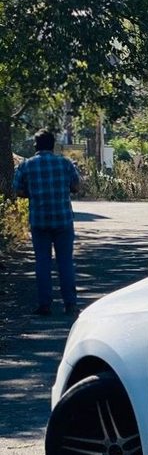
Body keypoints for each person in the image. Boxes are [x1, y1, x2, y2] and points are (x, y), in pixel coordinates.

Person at [12, 129, 81, 316]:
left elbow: (18, 190)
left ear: (36, 145)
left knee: (42, 262)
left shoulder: (26, 166)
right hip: (63, 220)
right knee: (65, 262)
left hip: (39, 220)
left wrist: (32, 194)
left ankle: (45, 304)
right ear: (53, 145)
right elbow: (75, 186)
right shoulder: (65, 163)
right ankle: (70, 304)